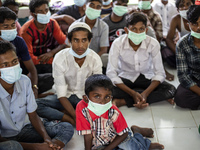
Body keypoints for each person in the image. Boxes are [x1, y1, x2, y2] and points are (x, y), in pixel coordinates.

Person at [0, 40, 74, 150]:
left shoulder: (24, 81)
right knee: (12, 146)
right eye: (5, 65)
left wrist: (47, 139)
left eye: (15, 61)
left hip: (25, 129)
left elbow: (33, 115)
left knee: (66, 128)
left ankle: (50, 147)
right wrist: (37, 147)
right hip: (4, 138)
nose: (12, 67)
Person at [36, 22, 103, 126]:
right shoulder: (60, 58)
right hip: (64, 97)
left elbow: (96, 89)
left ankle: (63, 113)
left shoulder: (95, 59)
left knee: (103, 110)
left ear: (89, 41)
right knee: (37, 105)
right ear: (69, 41)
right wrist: (74, 117)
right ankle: (67, 117)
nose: (80, 45)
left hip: (85, 98)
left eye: (84, 40)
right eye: (76, 40)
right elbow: (61, 95)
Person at [106, 12, 176, 109]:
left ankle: (124, 101)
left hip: (146, 77)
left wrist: (146, 93)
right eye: (134, 29)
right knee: (107, 91)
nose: (138, 33)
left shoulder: (153, 43)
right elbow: (111, 73)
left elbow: (160, 73)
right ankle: (141, 95)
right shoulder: (117, 43)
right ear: (126, 30)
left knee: (171, 90)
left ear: (146, 30)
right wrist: (132, 93)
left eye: (141, 29)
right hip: (125, 78)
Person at [76, 74, 164, 150]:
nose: (102, 102)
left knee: (131, 148)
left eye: (107, 97)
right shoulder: (81, 108)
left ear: (111, 97)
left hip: (118, 137)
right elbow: (87, 133)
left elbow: (123, 134)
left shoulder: (113, 111)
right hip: (99, 142)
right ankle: (136, 132)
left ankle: (144, 143)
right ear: (86, 99)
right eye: (97, 96)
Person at [20, 0, 68, 94]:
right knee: (54, 77)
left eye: (46, 10)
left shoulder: (52, 23)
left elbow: (64, 42)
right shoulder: (26, 31)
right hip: (30, 64)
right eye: (40, 11)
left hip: (46, 58)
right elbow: (28, 58)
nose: (45, 13)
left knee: (64, 73)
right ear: (33, 14)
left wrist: (52, 53)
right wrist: (51, 59)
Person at [0, 7, 39, 98]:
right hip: (3, 82)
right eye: (6, 27)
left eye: (13, 25)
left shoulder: (19, 41)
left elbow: (32, 69)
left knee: (49, 78)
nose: (10, 29)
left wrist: (34, 88)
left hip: (17, 77)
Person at [175, 4, 200, 110]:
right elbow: (183, 75)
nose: (199, 28)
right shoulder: (182, 43)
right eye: (195, 24)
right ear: (188, 24)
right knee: (180, 97)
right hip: (194, 78)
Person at [163, 0, 194, 79]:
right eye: (181, 6)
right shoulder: (176, 19)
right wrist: (180, 54)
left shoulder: (198, 16)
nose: (185, 7)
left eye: (188, 4)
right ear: (177, 9)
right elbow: (169, 39)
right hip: (184, 49)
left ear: (193, 5)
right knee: (167, 54)